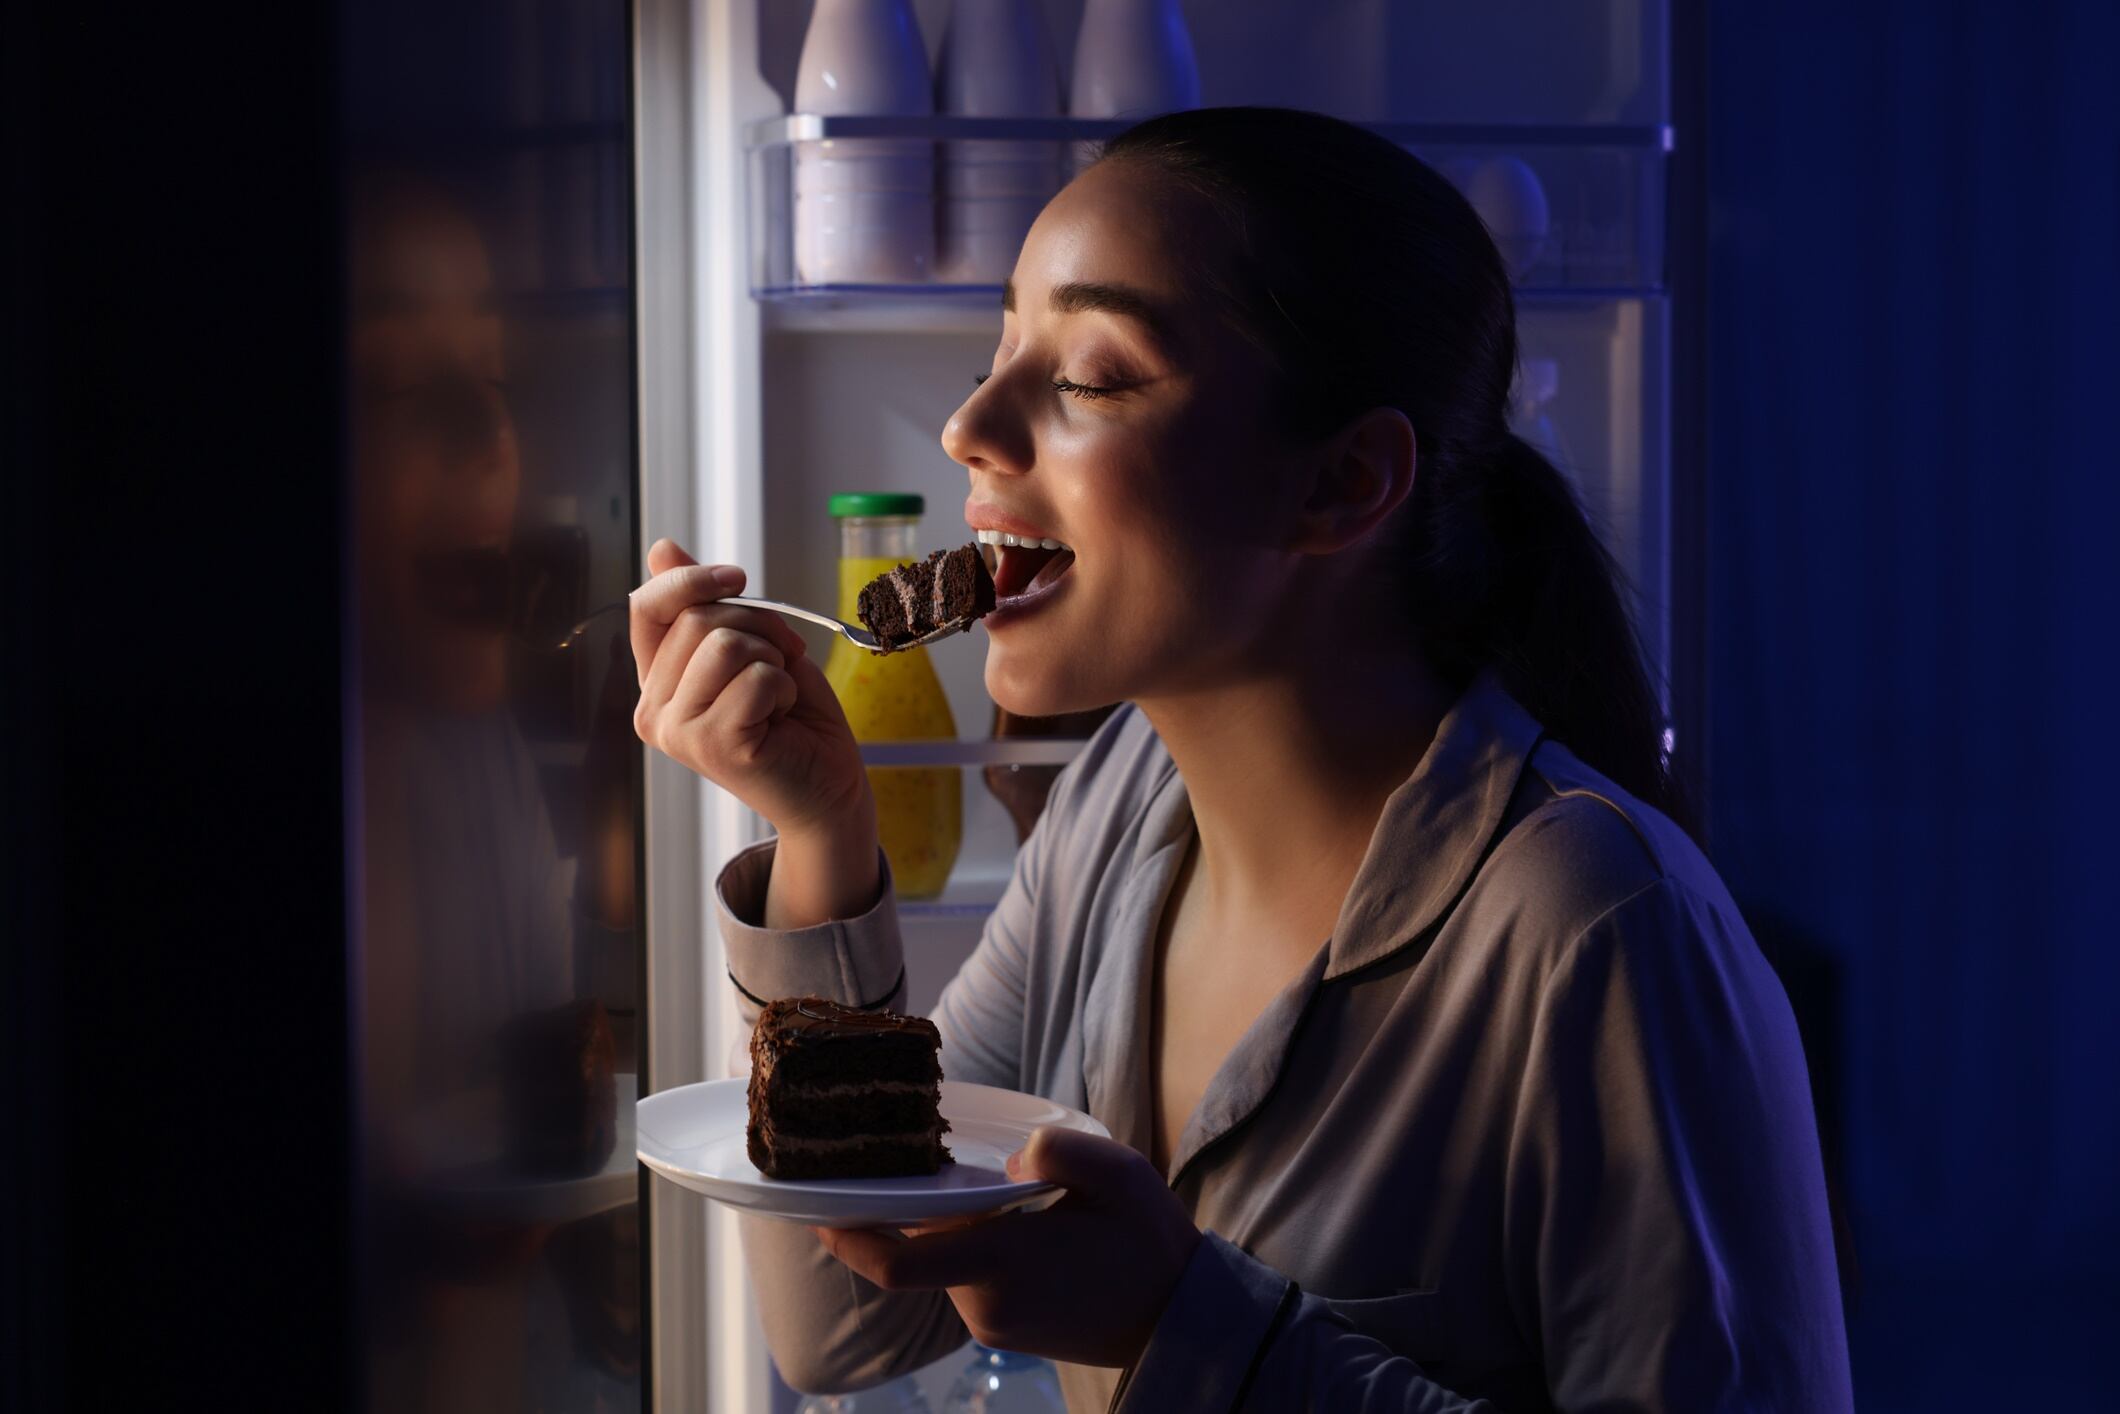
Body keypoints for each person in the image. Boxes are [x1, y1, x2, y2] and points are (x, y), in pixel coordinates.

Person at [630, 107, 1853, 1412]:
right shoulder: (1113, 812)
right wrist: (820, 834)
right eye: (1000, 350)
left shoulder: (1599, 928)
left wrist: (1184, 1323)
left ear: (1341, 482)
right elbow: (852, 1326)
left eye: (1092, 374)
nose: (970, 423)